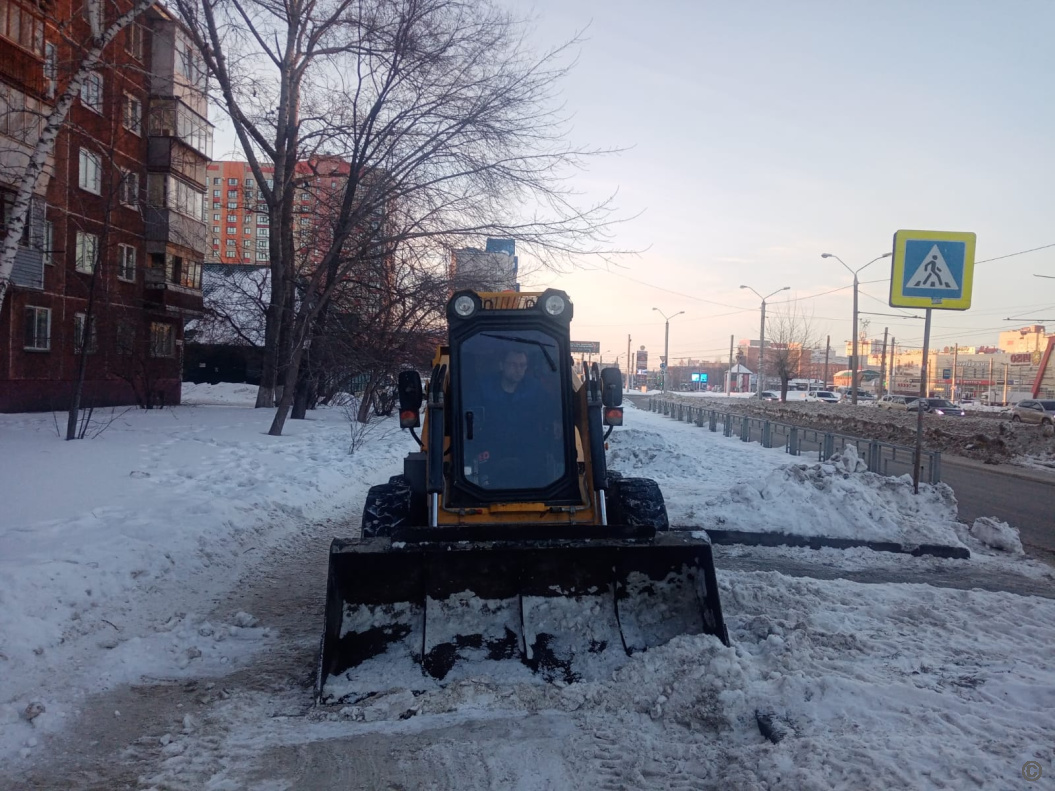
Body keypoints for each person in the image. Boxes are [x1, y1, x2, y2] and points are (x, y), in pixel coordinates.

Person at [465, 347, 562, 488]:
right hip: (490, 447)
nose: (518, 369)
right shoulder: (483, 388)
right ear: (501, 365)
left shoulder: (534, 389)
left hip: (527, 449)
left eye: (522, 365)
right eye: (513, 364)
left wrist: (556, 420)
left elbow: (551, 408)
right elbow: (468, 414)